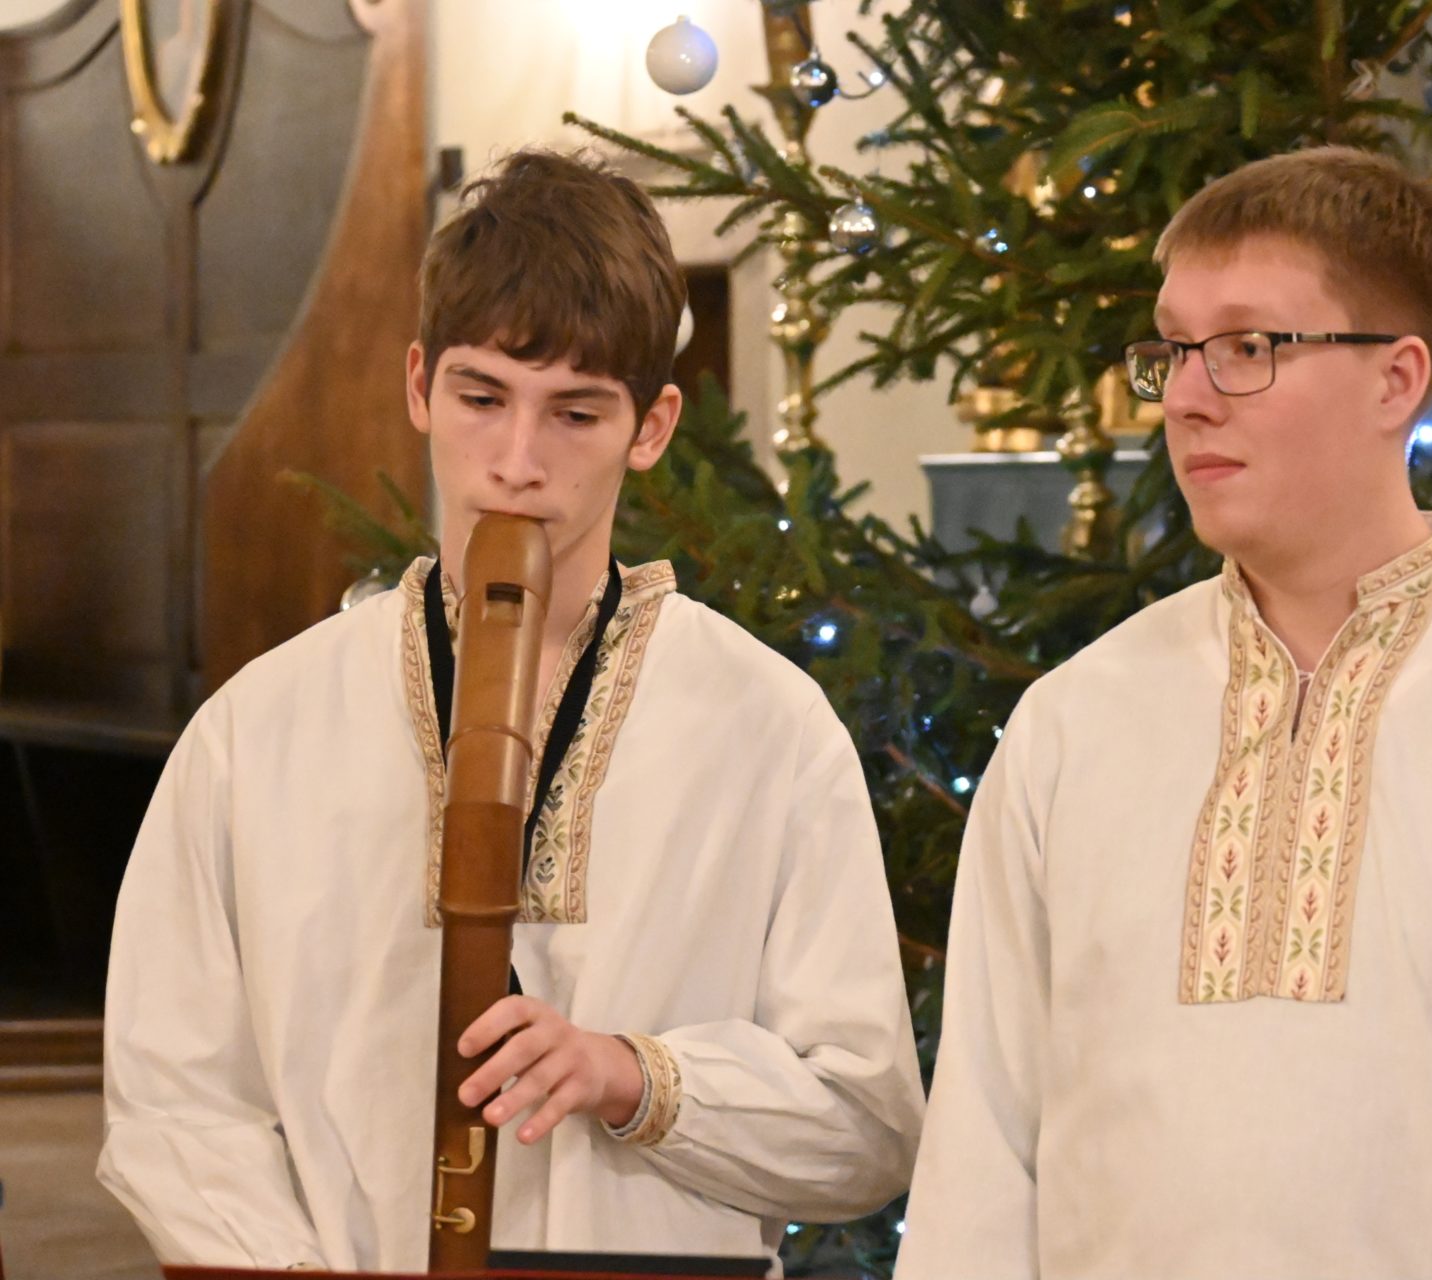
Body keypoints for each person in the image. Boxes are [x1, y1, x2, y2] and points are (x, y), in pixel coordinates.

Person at [896, 145, 1432, 1280]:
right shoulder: (1071, 726)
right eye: (1173, 348)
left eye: (1248, 346)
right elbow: (979, 1160)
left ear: (1397, 380)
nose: (1187, 396)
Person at [98, 149, 924, 1272]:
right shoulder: (258, 729)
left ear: (653, 426)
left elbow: (865, 1127)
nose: (517, 462)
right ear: (419, 385)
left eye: (576, 413)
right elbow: (172, 1101)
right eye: (481, 398)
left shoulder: (769, 726)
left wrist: (633, 1076)